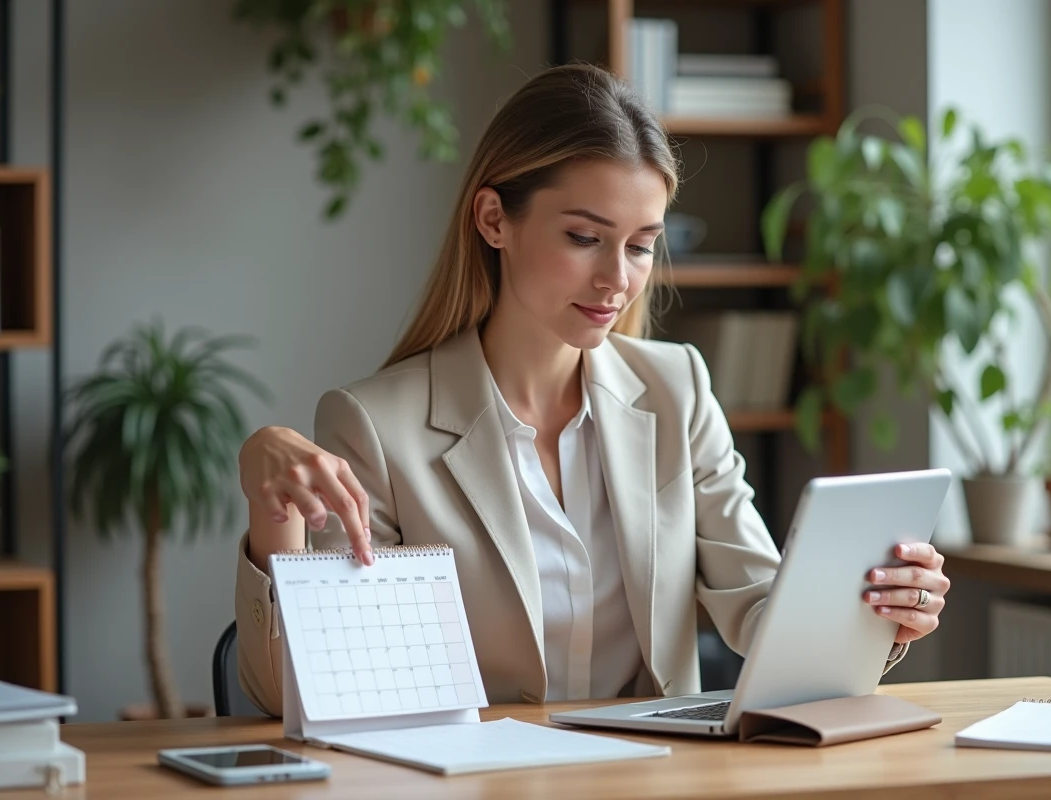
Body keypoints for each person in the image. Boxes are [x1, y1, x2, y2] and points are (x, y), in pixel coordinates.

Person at [234, 63, 949, 715]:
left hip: (651, 778)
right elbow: (295, 693)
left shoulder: (677, 390)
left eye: (641, 245)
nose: (618, 279)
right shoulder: (377, 425)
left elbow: (761, 606)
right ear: (493, 221)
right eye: (584, 237)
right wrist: (274, 519)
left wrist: (876, 613)